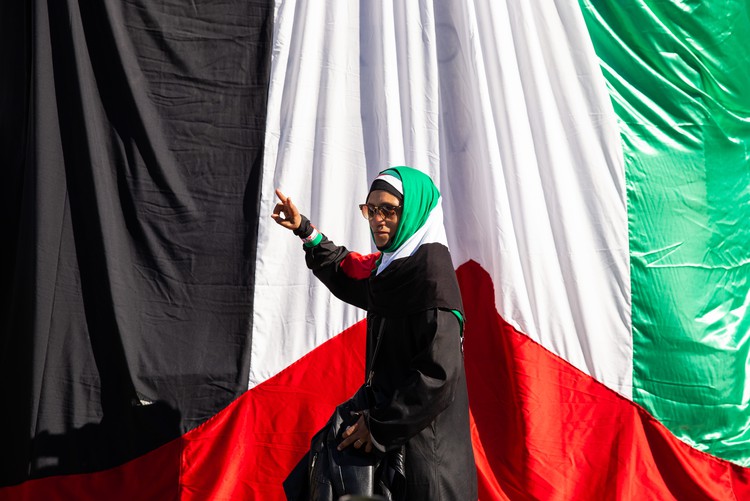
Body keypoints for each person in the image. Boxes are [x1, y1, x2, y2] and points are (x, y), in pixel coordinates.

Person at [273, 166, 477, 501]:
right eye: (371, 209)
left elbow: (438, 377)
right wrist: (305, 230)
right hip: (392, 443)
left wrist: (378, 425)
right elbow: (347, 270)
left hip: (428, 458)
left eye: (389, 210)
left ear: (412, 211)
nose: (377, 219)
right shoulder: (392, 269)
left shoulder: (432, 281)